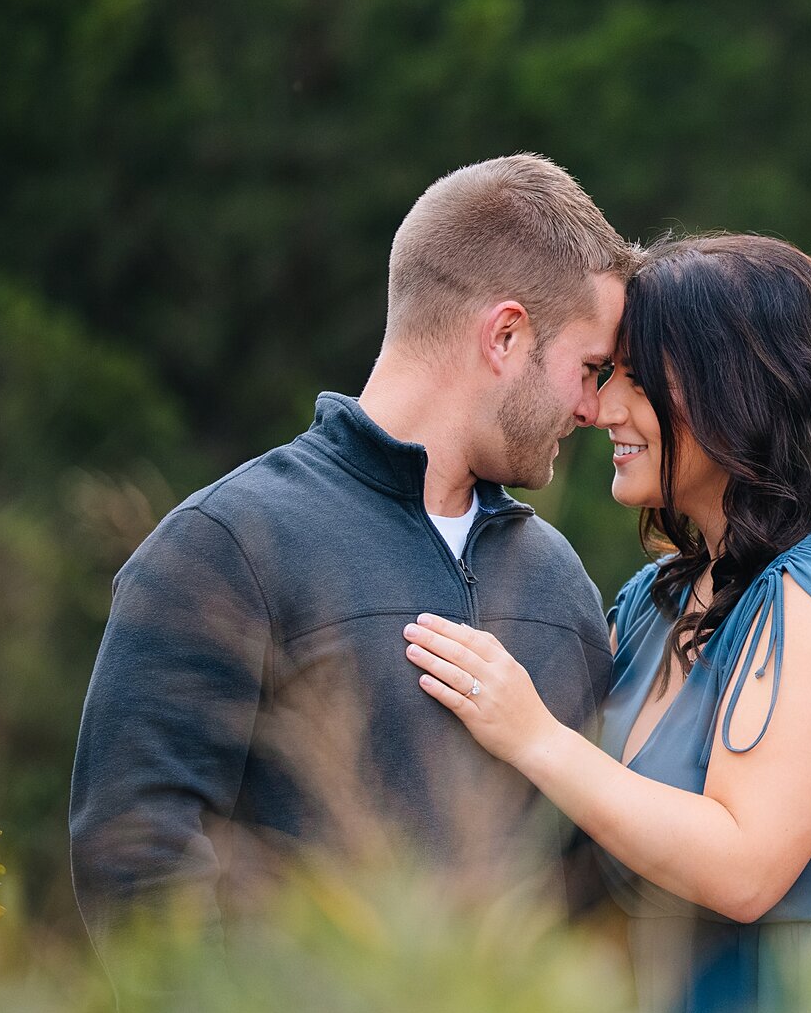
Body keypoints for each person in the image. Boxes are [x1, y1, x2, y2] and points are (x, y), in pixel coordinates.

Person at [403, 234, 811, 1013]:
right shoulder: (656, 600)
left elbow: (744, 868)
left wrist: (534, 736)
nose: (595, 408)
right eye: (603, 374)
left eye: (632, 377)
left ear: (731, 387)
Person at [68, 153, 635, 935]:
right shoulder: (227, 545)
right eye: (591, 367)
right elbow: (134, 856)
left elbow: (589, 890)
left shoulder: (559, 582)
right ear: (505, 335)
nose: (595, 407)